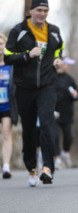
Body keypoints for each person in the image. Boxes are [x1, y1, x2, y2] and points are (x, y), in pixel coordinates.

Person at [4, 0, 64, 186]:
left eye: (46, 10)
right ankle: (31, 166)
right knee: (29, 131)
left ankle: (47, 167)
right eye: (39, 10)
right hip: (24, 88)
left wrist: (57, 60)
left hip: (47, 85)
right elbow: (7, 56)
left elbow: (59, 49)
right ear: (31, 11)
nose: (42, 14)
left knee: (47, 123)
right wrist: (27, 55)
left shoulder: (53, 30)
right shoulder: (18, 31)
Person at [53, 57, 78, 169]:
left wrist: (75, 95)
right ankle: (57, 158)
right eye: (65, 64)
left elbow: (76, 95)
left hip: (67, 113)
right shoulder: (51, 78)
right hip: (54, 112)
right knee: (55, 136)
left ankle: (65, 152)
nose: (67, 66)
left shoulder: (70, 79)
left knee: (69, 136)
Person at [0, 33, 17, 179]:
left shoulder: (11, 65)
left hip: (7, 106)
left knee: (6, 133)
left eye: (1, 44)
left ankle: (6, 166)